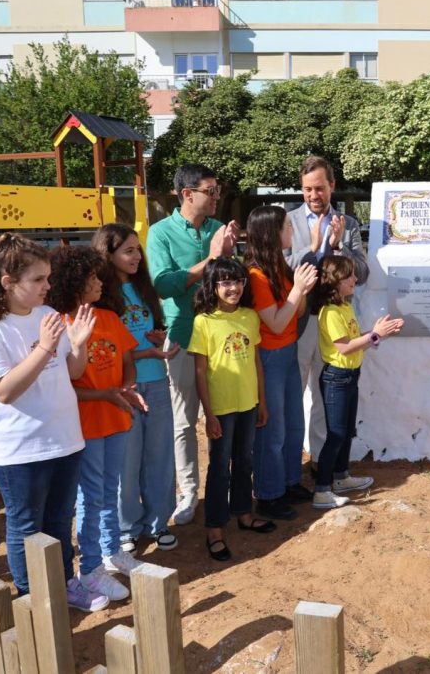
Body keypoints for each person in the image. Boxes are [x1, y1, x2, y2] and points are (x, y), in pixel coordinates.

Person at [0, 234, 107, 612]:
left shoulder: (46, 315)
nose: (48, 286)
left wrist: (78, 344)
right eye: (38, 279)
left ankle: (64, 583)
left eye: (48, 277)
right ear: (8, 282)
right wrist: (43, 347)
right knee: (27, 525)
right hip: (20, 450)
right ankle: (33, 600)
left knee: (59, 520)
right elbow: (4, 391)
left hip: (65, 440)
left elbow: (72, 372)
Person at [48, 246, 147, 602]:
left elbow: (128, 360)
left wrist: (127, 386)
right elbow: (63, 386)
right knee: (91, 497)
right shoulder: (59, 325)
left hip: (116, 417)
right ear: (75, 283)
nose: (100, 282)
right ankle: (89, 568)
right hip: (86, 426)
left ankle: (111, 551)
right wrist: (105, 394)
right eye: (92, 277)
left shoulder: (107, 317)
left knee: (109, 490)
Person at [146, 163, 240, 526]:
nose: (217, 197)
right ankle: (188, 492)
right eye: (210, 191)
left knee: (224, 415)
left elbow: (233, 282)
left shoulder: (219, 229)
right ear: (187, 194)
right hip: (182, 337)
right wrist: (211, 259)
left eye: (218, 190)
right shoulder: (160, 233)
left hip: (221, 337)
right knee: (183, 422)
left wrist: (228, 256)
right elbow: (163, 284)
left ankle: (222, 485)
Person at [92, 225, 180, 555]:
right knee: (126, 460)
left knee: (159, 454)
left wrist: (159, 338)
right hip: (120, 385)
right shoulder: (99, 294)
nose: (137, 257)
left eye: (137, 250)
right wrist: (145, 353)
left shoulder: (145, 288)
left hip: (155, 379)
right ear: (108, 253)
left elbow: (151, 328)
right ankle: (126, 526)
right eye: (128, 251)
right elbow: (106, 348)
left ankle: (159, 522)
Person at [190, 257, 277, 562]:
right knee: (219, 466)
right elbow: (200, 371)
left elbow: (256, 362)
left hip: (248, 404)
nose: (234, 288)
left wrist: (261, 401)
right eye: (226, 282)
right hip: (221, 408)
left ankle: (244, 513)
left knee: (244, 461)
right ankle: (215, 529)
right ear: (212, 286)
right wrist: (209, 413)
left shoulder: (250, 317)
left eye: (238, 281)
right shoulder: (204, 322)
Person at [285, 156, 369, 464]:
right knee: (292, 396)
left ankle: (322, 464)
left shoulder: (349, 225)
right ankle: (290, 466)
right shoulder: (288, 221)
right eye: (307, 189)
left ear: (332, 186)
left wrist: (337, 247)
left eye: (319, 188)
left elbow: (362, 272)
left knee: (325, 396)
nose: (313, 195)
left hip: (334, 323)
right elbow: (282, 267)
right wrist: (313, 247)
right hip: (298, 320)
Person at [312, 255, 403, 509]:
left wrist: (377, 333)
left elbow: (355, 340)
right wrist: (374, 335)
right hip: (336, 378)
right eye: (349, 276)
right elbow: (344, 347)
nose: (355, 279)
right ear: (335, 281)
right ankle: (321, 490)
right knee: (336, 435)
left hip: (350, 376)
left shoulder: (344, 307)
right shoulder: (330, 312)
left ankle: (341, 477)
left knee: (346, 431)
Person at [246, 205, 319, 520]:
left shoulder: (281, 267)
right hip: (269, 356)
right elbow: (275, 323)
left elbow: (297, 313)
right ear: (271, 233)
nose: (292, 230)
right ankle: (268, 494)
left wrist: (301, 291)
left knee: (293, 423)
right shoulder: (256, 275)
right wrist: (298, 290)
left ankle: (289, 481)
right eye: (287, 226)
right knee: (272, 429)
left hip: (288, 350)